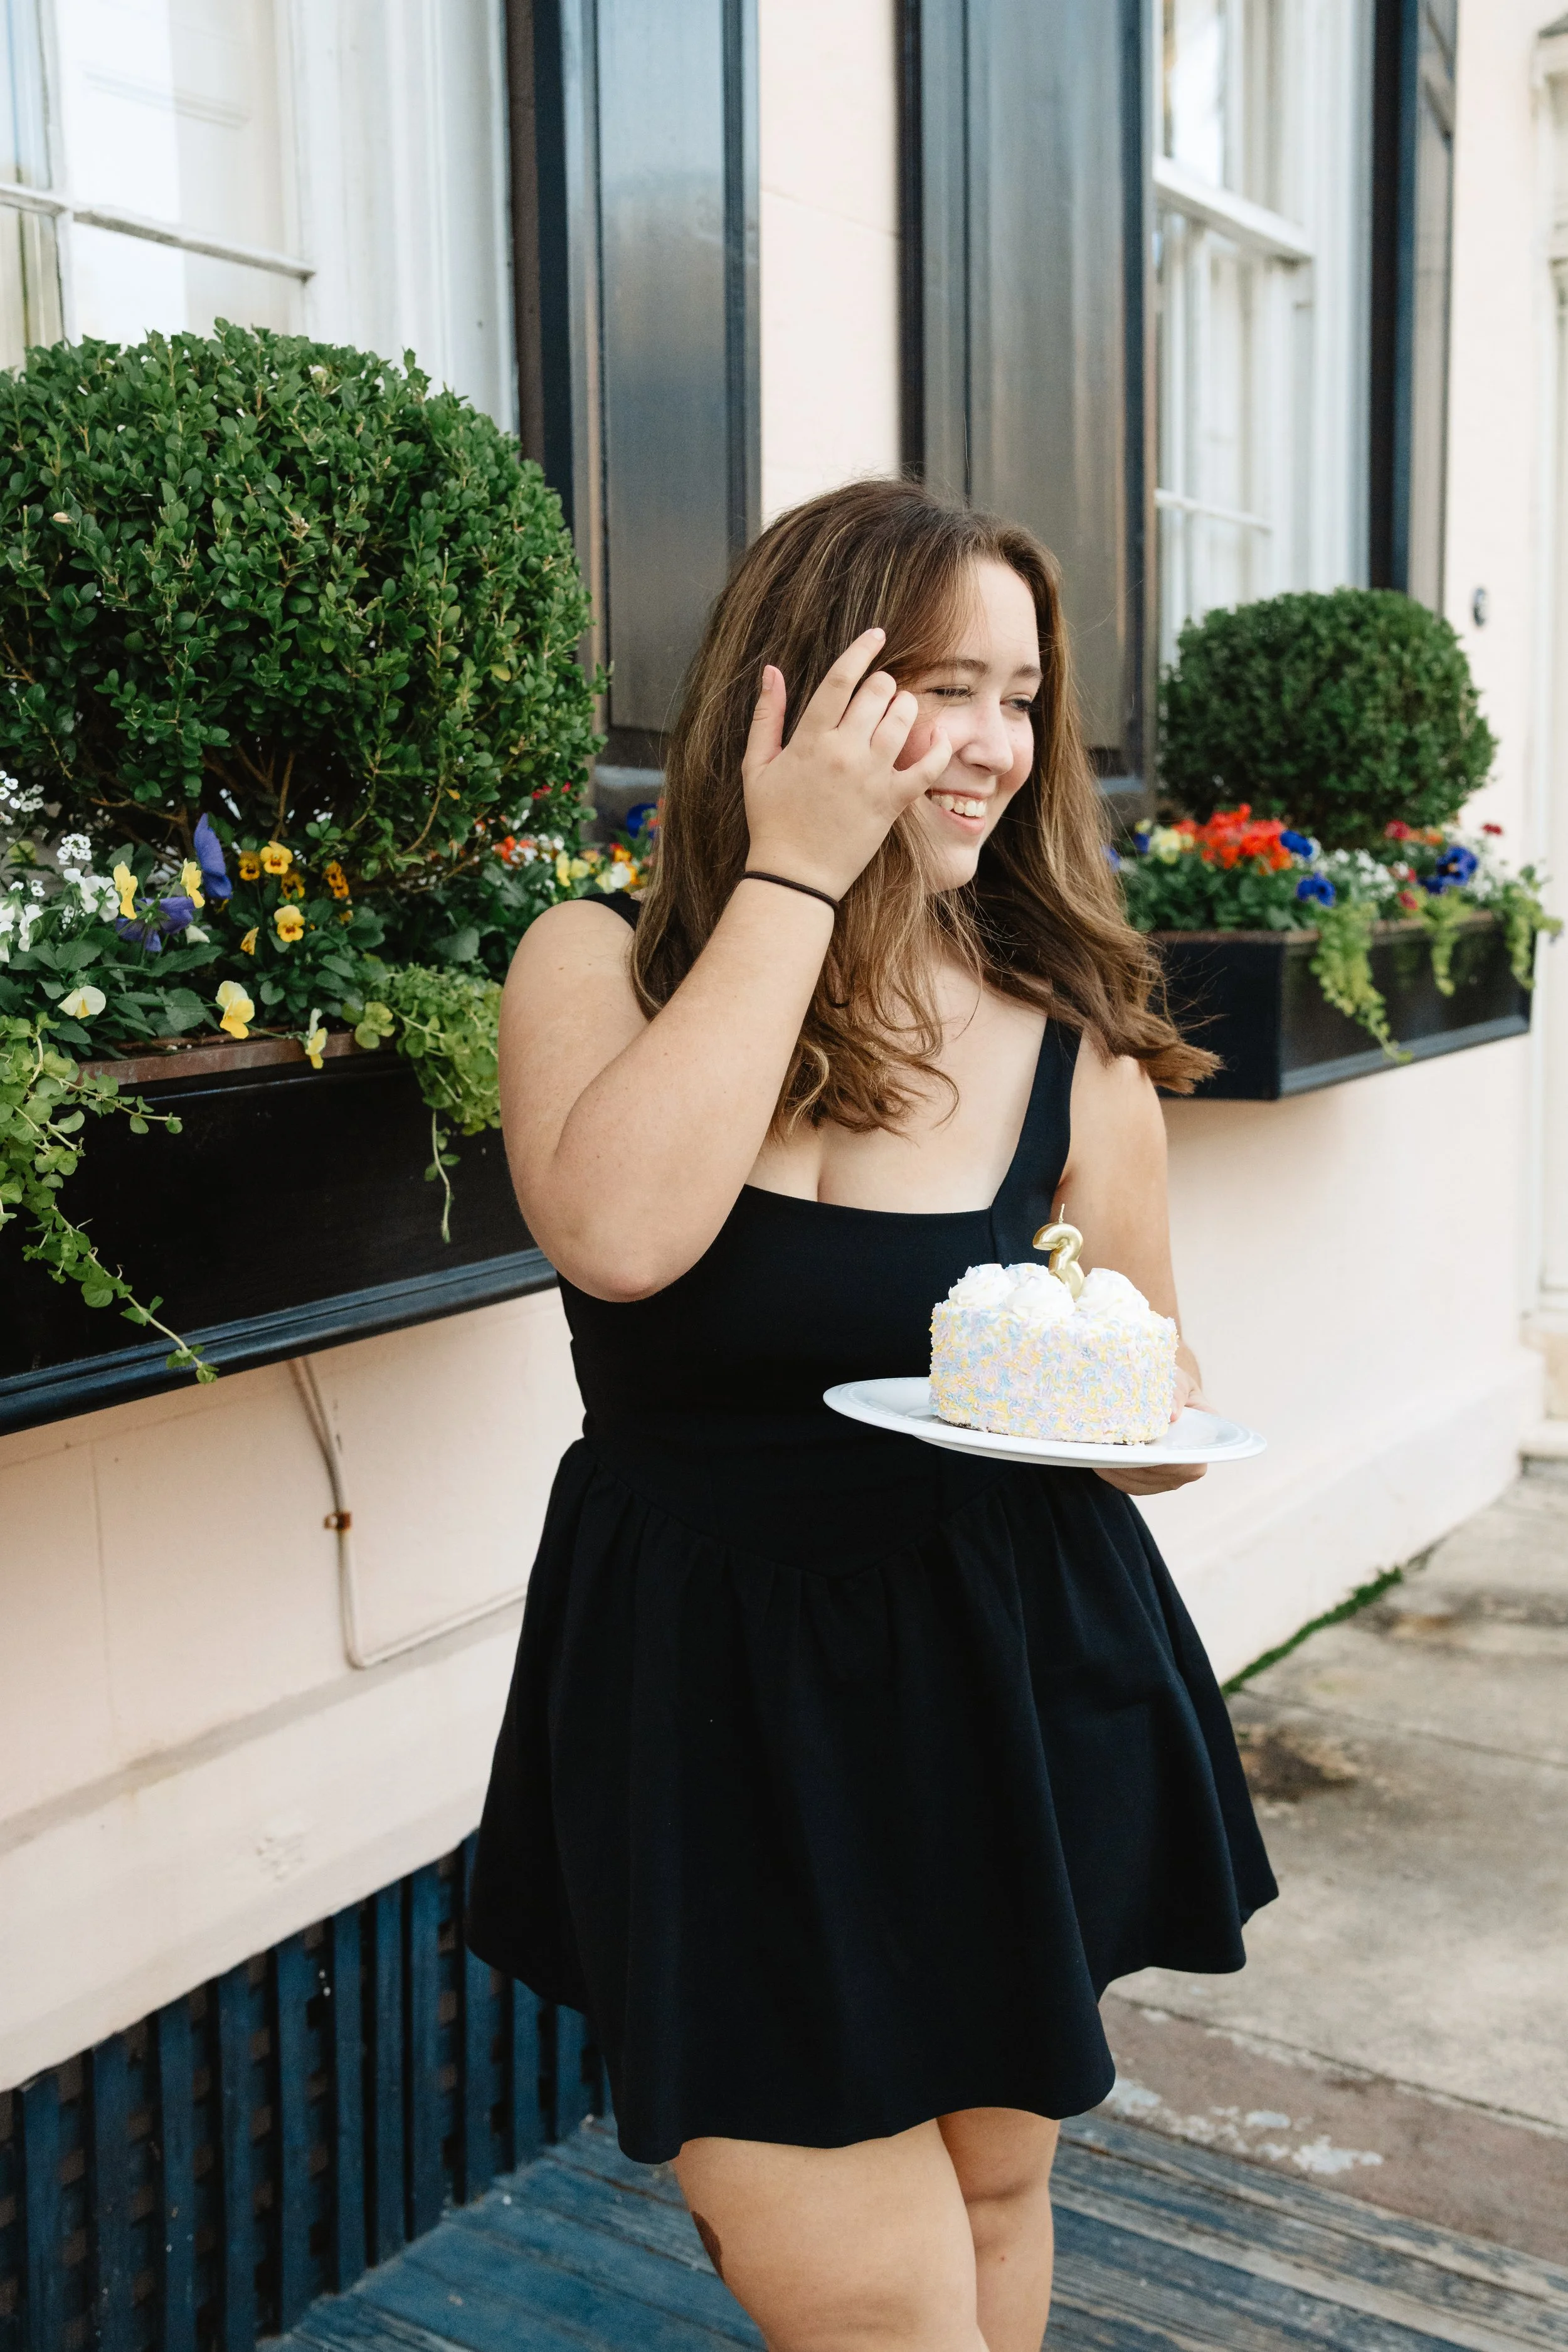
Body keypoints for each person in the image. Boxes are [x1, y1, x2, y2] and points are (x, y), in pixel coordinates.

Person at [467, 479, 1275, 2352]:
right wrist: (795, 872)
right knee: (862, 2298)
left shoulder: (1070, 1043)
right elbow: (618, 1231)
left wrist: (1115, 1399)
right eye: (928, 685)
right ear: (787, 699)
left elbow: (1156, 1405)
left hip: (1006, 1675)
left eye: (1014, 693)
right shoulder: (594, 966)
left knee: (995, 2192)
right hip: (712, 1696)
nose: (986, 741)